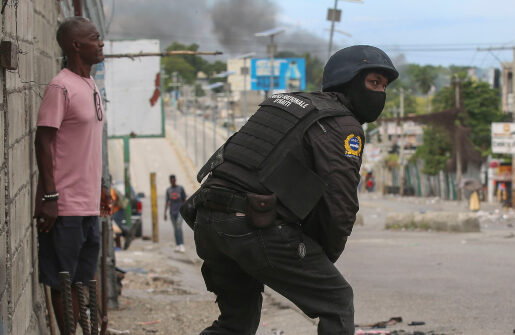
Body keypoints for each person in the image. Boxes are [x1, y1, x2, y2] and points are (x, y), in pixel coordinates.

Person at [181, 45, 398, 335]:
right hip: (251, 223)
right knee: (337, 301)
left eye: (383, 86)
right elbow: (340, 204)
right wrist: (321, 259)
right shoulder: (342, 125)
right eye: (373, 83)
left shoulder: (284, 104)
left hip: (207, 219)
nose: (379, 93)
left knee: (236, 323)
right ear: (348, 81)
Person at [33, 17, 109, 333]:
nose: (101, 42)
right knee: (63, 281)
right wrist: (50, 196)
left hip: (89, 205)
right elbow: (43, 140)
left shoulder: (90, 85)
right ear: (76, 45)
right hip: (63, 208)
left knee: (80, 281)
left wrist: (101, 187)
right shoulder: (60, 86)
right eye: (95, 37)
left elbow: (88, 146)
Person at [164, 174, 187, 252]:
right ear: (170, 181)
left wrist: (186, 210)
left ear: (175, 180)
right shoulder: (168, 190)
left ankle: (181, 244)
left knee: (179, 227)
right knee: (175, 229)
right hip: (172, 212)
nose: (173, 181)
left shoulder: (180, 188)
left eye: (174, 180)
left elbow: (184, 200)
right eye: (171, 180)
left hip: (180, 212)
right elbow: (167, 202)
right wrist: (165, 213)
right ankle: (177, 245)